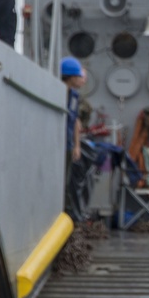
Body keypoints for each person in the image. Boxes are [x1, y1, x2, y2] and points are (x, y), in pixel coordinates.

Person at [62, 57, 88, 221]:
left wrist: (77, 146)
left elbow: (75, 121)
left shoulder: (74, 96)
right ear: (71, 77)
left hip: (67, 146)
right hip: (57, 145)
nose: (82, 79)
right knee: (62, 185)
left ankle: (68, 217)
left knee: (66, 182)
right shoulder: (55, 92)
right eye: (79, 76)